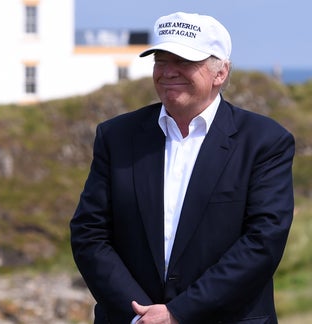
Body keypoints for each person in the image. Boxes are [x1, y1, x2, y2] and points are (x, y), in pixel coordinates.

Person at [70, 12, 294, 324]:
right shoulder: (117, 136)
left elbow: (262, 243)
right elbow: (89, 233)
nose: (168, 72)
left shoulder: (265, 142)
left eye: (185, 61)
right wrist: (140, 315)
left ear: (221, 73)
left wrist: (179, 312)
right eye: (161, 60)